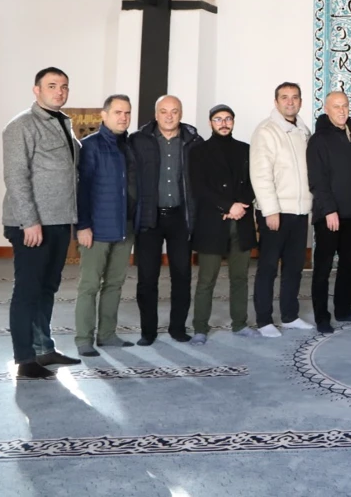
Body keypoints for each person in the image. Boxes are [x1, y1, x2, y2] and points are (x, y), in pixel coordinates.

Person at [2, 67, 81, 379]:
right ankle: (25, 359)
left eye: (64, 86)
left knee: (47, 288)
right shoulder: (21, 125)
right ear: (36, 90)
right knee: (28, 290)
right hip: (33, 225)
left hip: (59, 221)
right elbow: (16, 177)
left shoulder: (63, 123)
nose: (59, 91)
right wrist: (29, 221)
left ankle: (44, 349)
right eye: (52, 85)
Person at [129, 95, 202, 346]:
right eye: (164, 111)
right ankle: (148, 331)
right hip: (149, 218)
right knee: (147, 278)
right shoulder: (139, 140)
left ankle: (177, 328)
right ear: (156, 114)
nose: (169, 116)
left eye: (174, 111)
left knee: (182, 276)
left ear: (181, 114)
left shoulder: (193, 141)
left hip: (180, 218)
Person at [189, 104, 258, 343]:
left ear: (233, 122)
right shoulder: (199, 152)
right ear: (211, 122)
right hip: (213, 223)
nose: (224, 123)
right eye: (218, 119)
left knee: (240, 278)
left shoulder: (245, 149)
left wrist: (240, 206)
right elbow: (199, 188)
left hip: (241, 221)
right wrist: (228, 207)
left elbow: (255, 182)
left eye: (228, 119)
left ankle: (240, 323)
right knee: (206, 279)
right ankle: (200, 327)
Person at [73, 94, 136, 356]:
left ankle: (107, 334)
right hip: (96, 229)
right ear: (104, 115)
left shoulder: (129, 146)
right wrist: (83, 225)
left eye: (127, 113)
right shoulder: (90, 146)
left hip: (124, 228)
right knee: (89, 286)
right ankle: (83, 339)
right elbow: (82, 189)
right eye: (118, 112)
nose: (123, 117)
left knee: (114, 284)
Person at [251, 82, 315, 337]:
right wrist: (270, 210)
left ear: (300, 102)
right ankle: (264, 320)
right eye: (285, 97)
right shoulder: (266, 131)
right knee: (268, 268)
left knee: (293, 268)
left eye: (295, 97)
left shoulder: (303, 130)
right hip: (275, 212)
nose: (290, 102)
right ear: (276, 102)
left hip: (299, 210)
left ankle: (289, 316)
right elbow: (260, 174)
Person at [307, 90, 351, 331]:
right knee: (323, 268)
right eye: (336, 106)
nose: (342, 110)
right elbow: (317, 179)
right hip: (329, 216)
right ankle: (322, 317)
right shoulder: (318, 140)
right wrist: (329, 210)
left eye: (345, 105)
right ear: (326, 109)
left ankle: (343, 310)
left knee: (348, 265)